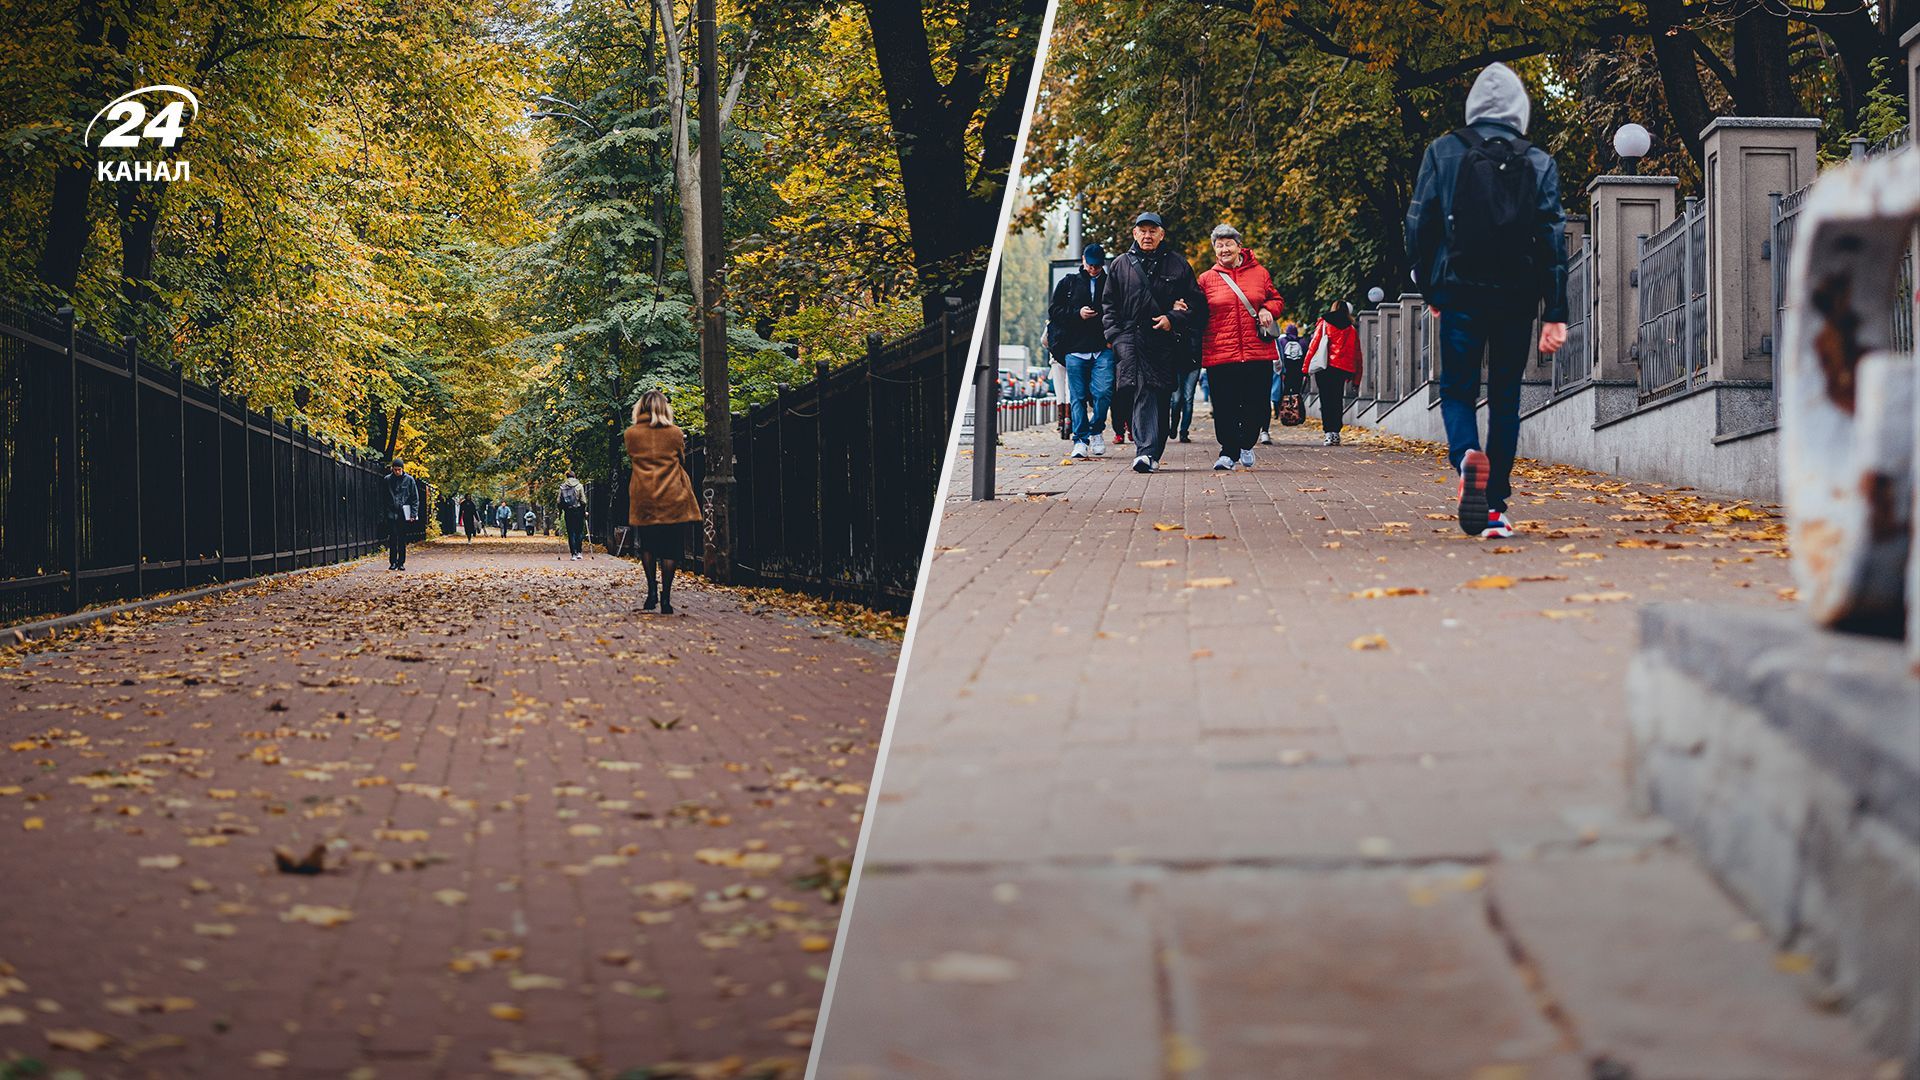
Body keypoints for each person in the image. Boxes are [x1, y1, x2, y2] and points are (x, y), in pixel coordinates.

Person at [1406, 61, 1568, 540]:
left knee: (1456, 390)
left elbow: (1420, 225)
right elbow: (1553, 241)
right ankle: (1495, 505)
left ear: (1473, 105)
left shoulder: (1444, 151)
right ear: (1521, 109)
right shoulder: (1538, 161)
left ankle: (1465, 460)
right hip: (1516, 296)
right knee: (1505, 397)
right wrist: (1554, 314)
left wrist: (1432, 289)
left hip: (1459, 289)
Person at [1102, 211, 1205, 473]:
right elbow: (1108, 304)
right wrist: (1114, 336)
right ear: (1134, 233)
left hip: (1164, 342)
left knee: (1160, 395)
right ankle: (1145, 451)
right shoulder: (1120, 264)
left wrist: (1173, 317)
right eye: (1142, 230)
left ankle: (1153, 451)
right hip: (1131, 339)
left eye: (1152, 231)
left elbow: (1197, 304)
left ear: (1161, 234)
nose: (1147, 235)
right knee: (1141, 390)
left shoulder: (1178, 264)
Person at [1195, 224, 1285, 470]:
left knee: (1256, 404)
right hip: (1221, 353)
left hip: (1257, 352)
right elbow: (1198, 311)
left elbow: (1276, 299)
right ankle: (1228, 452)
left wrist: (1268, 308)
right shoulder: (1206, 279)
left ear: (1238, 246)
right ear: (1215, 249)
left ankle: (1247, 443)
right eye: (1219, 245)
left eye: (1228, 244)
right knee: (1225, 406)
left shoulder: (1259, 273)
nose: (1224, 249)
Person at [624, 390, 702, 614]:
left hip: (645, 496)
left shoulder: (632, 434)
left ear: (641, 408)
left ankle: (651, 592)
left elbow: (632, 458)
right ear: (664, 407)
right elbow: (682, 458)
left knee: (648, 545)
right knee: (671, 549)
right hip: (673, 496)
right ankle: (666, 598)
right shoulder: (675, 433)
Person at [1049, 243, 1116, 459]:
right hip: (1075, 349)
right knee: (1077, 397)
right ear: (1083, 260)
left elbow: (1120, 310)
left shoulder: (1111, 283)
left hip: (1102, 348)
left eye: (1097, 266)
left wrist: (1112, 339)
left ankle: (1096, 430)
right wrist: (1077, 313)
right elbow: (1054, 311)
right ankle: (1080, 439)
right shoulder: (1069, 282)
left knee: (1104, 392)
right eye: (1090, 265)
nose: (1094, 270)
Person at [1302, 301, 1362, 446]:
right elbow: (1357, 354)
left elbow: (1314, 345)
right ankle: (1336, 432)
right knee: (1337, 399)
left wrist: (1305, 368)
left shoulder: (1324, 324)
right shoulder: (1351, 329)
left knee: (1326, 400)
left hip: (1324, 367)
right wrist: (1356, 378)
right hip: (1341, 369)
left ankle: (1328, 433)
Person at [383, 459, 422, 571]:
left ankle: (401, 562)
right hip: (391, 512)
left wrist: (413, 513)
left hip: (404, 513)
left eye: (399, 470)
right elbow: (384, 497)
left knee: (402, 539)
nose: (397, 472)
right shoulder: (387, 480)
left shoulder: (409, 480)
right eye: (395, 470)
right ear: (392, 469)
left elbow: (415, 498)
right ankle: (393, 562)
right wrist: (385, 513)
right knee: (393, 538)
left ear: (402, 469)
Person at [558, 470, 588, 560]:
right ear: (574, 476)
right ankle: (579, 552)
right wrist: (584, 511)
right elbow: (583, 501)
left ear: (567, 477)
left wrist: (560, 511)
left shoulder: (563, 486)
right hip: (578, 511)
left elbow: (559, 501)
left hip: (568, 511)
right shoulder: (579, 486)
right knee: (579, 532)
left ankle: (573, 554)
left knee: (571, 533)